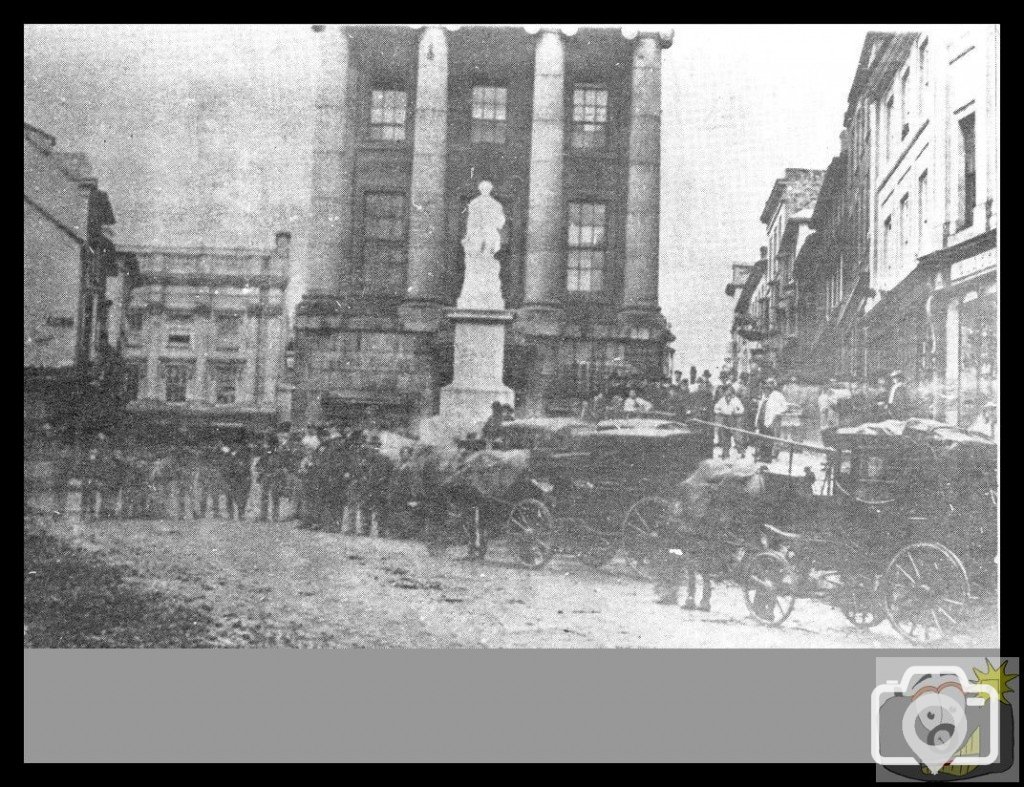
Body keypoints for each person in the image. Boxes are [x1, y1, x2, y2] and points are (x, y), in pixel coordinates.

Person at [754, 379, 788, 463]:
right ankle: (761, 456)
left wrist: (777, 413)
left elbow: (785, 407)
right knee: (762, 438)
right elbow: (760, 409)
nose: (765, 391)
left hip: (771, 421)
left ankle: (767, 458)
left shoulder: (777, 395)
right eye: (764, 389)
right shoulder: (764, 397)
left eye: (767, 389)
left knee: (769, 439)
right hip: (762, 420)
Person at [713, 385, 745, 458]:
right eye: (726, 390)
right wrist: (720, 411)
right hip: (725, 418)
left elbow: (741, 409)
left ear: (731, 391)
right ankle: (725, 453)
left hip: (733, 419)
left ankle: (741, 452)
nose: (727, 392)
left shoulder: (735, 400)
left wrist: (736, 412)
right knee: (725, 437)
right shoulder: (722, 400)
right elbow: (716, 408)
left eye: (728, 390)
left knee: (737, 437)